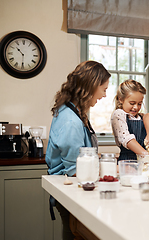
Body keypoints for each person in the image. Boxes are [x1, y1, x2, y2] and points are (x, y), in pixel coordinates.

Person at [46, 60, 111, 240]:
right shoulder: (71, 121)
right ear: (91, 86)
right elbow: (76, 171)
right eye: (104, 89)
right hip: (68, 189)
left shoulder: (73, 111)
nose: (105, 95)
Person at [111, 79, 149, 160]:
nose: (136, 107)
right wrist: (148, 157)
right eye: (132, 103)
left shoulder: (143, 117)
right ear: (121, 99)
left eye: (139, 104)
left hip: (145, 160)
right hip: (128, 162)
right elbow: (127, 139)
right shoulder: (119, 114)